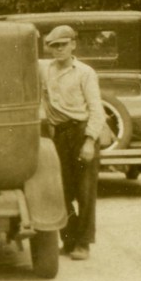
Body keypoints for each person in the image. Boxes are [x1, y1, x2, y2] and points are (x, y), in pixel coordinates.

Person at [38, 25, 106, 261]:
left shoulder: (85, 72)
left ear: (73, 45)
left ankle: (83, 243)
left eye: (63, 45)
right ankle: (68, 239)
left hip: (81, 132)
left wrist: (89, 141)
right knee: (60, 191)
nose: (58, 50)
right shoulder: (44, 69)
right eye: (53, 46)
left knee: (85, 191)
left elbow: (97, 109)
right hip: (59, 134)